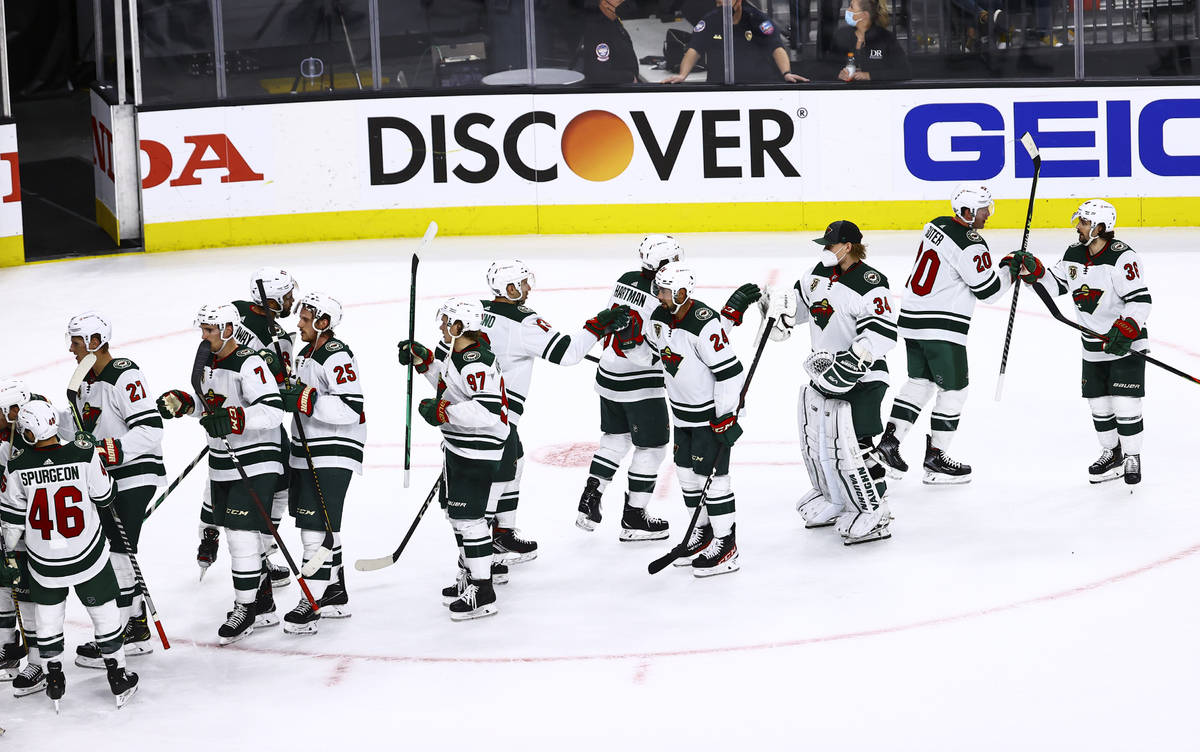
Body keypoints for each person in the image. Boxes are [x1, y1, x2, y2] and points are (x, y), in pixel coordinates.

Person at [475, 259, 629, 565]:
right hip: (498, 415)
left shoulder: (476, 311)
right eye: (523, 283)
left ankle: (502, 533)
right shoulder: (524, 322)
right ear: (510, 288)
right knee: (496, 476)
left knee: (513, 463)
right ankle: (484, 548)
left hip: (470, 404)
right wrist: (598, 326)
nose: (528, 288)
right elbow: (568, 353)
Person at [762, 220, 898, 544]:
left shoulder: (871, 283)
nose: (824, 249)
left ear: (847, 247)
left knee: (859, 447)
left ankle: (877, 509)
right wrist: (775, 309)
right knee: (825, 444)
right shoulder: (817, 275)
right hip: (825, 374)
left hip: (864, 378)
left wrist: (854, 360)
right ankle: (837, 500)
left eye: (829, 244)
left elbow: (883, 332)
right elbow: (796, 309)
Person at [156, 304, 286, 644]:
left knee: (241, 534)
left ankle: (245, 608)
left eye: (210, 329)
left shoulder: (249, 361)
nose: (204, 335)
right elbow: (208, 405)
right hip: (222, 459)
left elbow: (273, 410)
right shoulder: (206, 361)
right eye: (203, 329)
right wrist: (185, 404)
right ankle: (264, 602)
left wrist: (234, 419)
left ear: (228, 329)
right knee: (237, 531)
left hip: (256, 457)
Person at [1, 400, 139, 710]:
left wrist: (8, 553)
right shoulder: (83, 453)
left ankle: (53, 679)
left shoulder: (17, 465)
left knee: (48, 621)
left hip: (44, 561)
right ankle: (117, 674)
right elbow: (105, 495)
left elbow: (11, 521)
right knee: (105, 615)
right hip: (87, 555)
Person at [1006, 199, 1151, 485]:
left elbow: (1140, 301)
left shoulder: (1123, 257)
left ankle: (1132, 456)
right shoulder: (1074, 253)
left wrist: (1126, 328)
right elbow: (1055, 283)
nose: (1078, 227)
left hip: (1125, 343)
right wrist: (1033, 269)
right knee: (1099, 403)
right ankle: (1111, 453)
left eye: (1083, 223)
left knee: (1125, 403)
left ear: (1099, 227)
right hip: (1092, 344)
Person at [875, 184, 1011, 485]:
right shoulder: (972, 244)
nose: (989, 214)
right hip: (942, 326)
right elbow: (988, 291)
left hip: (912, 317)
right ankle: (936, 458)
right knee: (954, 391)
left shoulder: (935, 225)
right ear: (966, 212)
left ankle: (889, 444)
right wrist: (1010, 270)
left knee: (919, 383)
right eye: (984, 209)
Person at [58, 312, 166, 668]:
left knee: (118, 551)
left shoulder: (124, 373)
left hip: (135, 473)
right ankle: (135, 626)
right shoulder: (82, 382)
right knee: (113, 551)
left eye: (76, 341)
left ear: (93, 341)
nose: (70, 348)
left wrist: (110, 450)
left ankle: (121, 635)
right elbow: (77, 430)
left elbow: (151, 430)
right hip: (108, 480)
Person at [398, 298, 509, 620]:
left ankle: (483, 590)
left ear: (461, 326)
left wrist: (442, 412)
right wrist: (424, 363)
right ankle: (471, 575)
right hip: (461, 445)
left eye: (447, 321)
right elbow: (451, 388)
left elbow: (486, 412)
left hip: (478, 448)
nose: (442, 327)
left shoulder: (474, 361)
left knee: (470, 519)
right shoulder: (457, 354)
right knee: (456, 514)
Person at [639, 262, 749, 576]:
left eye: (664, 290)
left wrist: (725, 415)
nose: (658, 295)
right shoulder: (659, 318)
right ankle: (702, 534)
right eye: (658, 289)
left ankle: (726, 544)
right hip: (681, 414)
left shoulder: (704, 323)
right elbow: (655, 352)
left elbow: (729, 372)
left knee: (713, 481)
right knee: (687, 475)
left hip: (708, 418)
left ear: (683, 292)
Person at [198, 269, 297, 588]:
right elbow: (279, 391)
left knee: (222, 471)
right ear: (271, 301)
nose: (291, 301)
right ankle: (264, 555)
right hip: (253, 415)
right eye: (286, 296)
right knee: (280, 482)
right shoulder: (278, 338)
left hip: (216, 397)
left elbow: (209, 350)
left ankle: (209, 531)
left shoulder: (234, 309)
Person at [578, 236, 681, 540]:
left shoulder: (625, 279)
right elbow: (658, 344)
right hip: (640, 382)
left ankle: (590, 495)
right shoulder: (664, 296)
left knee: (614, 440)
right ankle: (634, 517)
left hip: (608, 372)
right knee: (651, 447)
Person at [280, 292, 363, 635]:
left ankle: (310, 599)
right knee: (323, 525)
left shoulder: (336, 354)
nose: (298, 322)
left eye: (306, 317)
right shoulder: (305, 355)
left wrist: (303, 398)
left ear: (323, 322)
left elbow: (351, 407)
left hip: (333, 449)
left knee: (314, 530)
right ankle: (333, 591)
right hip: (307, 448)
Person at [0, 379, 45, 697]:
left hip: (38, 534)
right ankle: (9, 648)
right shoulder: (6, 440)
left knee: (31, 597)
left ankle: (39, 662)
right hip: (11, 528)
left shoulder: (38, 433)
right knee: (4, 585)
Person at [662, 0, 810, 83]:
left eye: (726, 3)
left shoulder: (756, 18)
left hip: (757, 85)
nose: (721, 6)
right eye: (719, 3)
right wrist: (682, 75)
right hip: (720, 85)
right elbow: (694, 50)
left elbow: (776, 48)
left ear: (738, 1)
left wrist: (786, 73)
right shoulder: (710, 20)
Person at [831, 0, 911, 82]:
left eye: (851, 7)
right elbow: (826, 67)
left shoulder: (886, 38)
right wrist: (838, 74)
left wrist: (870, 75)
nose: (847, 10)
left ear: (864, 15)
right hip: (845, 93)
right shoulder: (842, 35)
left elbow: (904, 72)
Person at [580, 0, 640, 84]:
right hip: (616, 90)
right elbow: (599, 74)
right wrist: (630, 78)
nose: (623, 4)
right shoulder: (597, 30)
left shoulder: (613, 20)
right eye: (619, 2)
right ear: (604, 3)